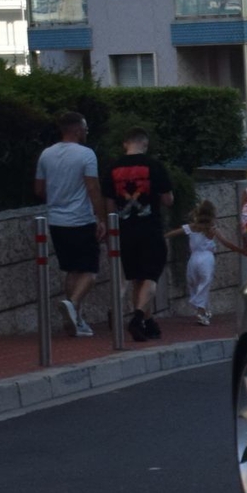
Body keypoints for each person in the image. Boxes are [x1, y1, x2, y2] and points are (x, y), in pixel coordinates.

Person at [33, 112, 103, 337]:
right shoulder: (86, 154)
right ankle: (72, 304)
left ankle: (75, 320)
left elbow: (39, 190)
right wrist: (101, 218)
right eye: (84, 129)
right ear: (76, 130)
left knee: (72, 269)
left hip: (56, 221)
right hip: (81, 220)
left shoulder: (46, 154)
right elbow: (93, 188)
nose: (86, 132)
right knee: (90, 272)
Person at [104, 129, 175, 342]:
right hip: (150, 228)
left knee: (136, 278)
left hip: (124, 231)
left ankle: (147, 322)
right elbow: (168, 200)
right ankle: (137, 318)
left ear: (125, 143)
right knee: (151, 276)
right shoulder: (154, 166)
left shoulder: (112, 168)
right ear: (145, 144)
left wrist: (110, 232)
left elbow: (109, 205)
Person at [178, 202, 223, 326]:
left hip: (193, 258)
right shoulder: (212, 229)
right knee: (204, 284)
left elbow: (175, 232)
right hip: (207, 258)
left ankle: (204, 310)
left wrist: (162, 237)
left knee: (194, 283)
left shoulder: (192, 227)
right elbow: (226, 242)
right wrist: (240, 250)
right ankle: (201, 311)